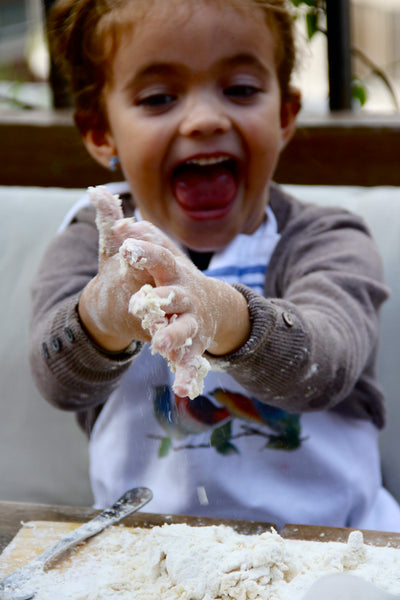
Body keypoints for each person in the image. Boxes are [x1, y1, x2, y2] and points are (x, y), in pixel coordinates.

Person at [30, 0, 400, 531]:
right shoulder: (87, 245)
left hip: (334, 544)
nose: (205, 119)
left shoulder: (326, 240)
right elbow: (59, 382)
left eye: (241, 89)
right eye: (158, 98)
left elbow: (326, 365)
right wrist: (102, 316)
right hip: (146, 555)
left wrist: (220, 313)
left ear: (285, 116)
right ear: (100, 131)